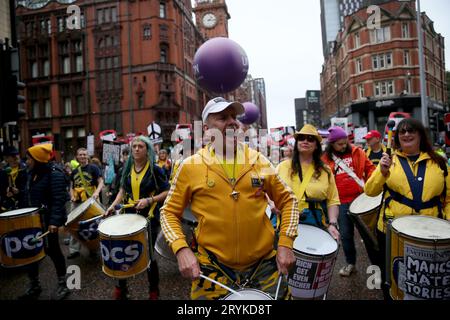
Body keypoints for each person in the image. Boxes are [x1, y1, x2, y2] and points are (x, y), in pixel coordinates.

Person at [160, 97, 300, 300]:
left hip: (263, 268)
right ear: (207, 128)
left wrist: (286, 244)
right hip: (212, 270)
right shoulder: (190, 166)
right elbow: (168, 212)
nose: (232, 122)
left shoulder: (258, 160)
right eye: (223, 117)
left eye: (234, 117)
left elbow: (289, 201)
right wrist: (181, 250)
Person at [365, 118, 450, 300]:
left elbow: (449, 197)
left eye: (411, 130)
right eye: (402, 132)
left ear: (420, 135)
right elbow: (370, 191)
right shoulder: (389, 160)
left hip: (431, 231)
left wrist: (448, 222)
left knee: (427, 279)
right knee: (394, 276)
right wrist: (382, 171)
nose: (406, 134)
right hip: (392, 230)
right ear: (397, 138)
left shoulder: (439, 162)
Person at [106, 136, 170, 300]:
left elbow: (167, 192)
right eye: (134, 146)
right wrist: (113, 205)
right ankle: (121, 287)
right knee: (123, 251)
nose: (136, 149)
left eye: (140, 146)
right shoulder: (126, 169)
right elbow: (122, 190)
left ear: (147, 150)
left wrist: (149, 200)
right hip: (129, 216)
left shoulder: (155, 170)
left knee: (149, 255)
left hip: (149, 217)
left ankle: (153, 291)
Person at [18, 144, 70, 300]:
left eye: (28, 158)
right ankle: (34, 285)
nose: (26, 161)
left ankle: (63, 284)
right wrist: (18, 194)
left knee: (53, 252)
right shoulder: (31, 174)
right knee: (30, 253)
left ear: (37, 159)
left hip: (47, 222)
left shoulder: (55, 174)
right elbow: (32, 195)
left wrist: (54, 222)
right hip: (32, 222)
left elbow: (58, 200)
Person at [322, 126, 376, 277]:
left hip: (361, 200)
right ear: (331, 144)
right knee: (346, 234)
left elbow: (370, 169)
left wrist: (373, 185)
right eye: (339, 144)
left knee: (369, 235)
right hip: (341, 202)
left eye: (345, 142)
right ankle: (350, 263)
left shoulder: (357, 152)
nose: (344, 146)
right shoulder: (324, 159)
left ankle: (376, 267)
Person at [277, 125, 340, 241]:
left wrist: (333, 224)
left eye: (310, 139)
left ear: (316, 146)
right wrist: (272, 204)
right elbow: (268, 192)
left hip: (314, 223)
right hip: (285, 221)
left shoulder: (325, 171)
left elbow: (333, 200)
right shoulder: (282, 167)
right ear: (297, 143)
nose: (305, 141)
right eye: (301, 138)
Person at [67, 148, 104, 259]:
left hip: (91, 201)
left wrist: (97, 193)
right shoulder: (74, 171)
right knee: (74, 225)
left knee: (95, 226)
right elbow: (71, 187)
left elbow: (101, 181)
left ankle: (95, 249)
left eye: (84, 154)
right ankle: (74, 250)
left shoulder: (94, 168)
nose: (82, 156)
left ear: (87, 156)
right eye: (80, 155)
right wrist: (72, 196)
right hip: (77, 202)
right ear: (77, 157)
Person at [0, 146, 28, 212]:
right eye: (12, 156)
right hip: (8, 206)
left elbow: (28, 187)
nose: (16, 157)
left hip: (23, 204)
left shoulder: (25, 169)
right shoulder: (3, 171)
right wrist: (5, 192)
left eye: (17, 155)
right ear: (6, 158)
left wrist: (19, 191)